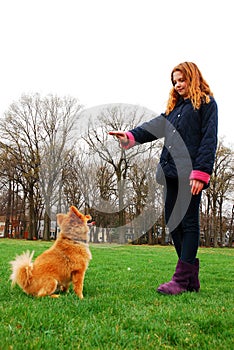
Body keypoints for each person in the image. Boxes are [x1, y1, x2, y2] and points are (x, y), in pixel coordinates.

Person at [109, 62, 218, 295]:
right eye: (175, 81)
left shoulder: (207, 105)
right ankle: (190, 278)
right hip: (169, 172)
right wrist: (130, 136)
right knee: (172, 223)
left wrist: (201, 172)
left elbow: (209, 140)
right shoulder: (174, 108)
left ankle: (180, 279)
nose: (178, 85)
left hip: (190, 175)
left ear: (193, 78)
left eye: (182, 80)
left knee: (188, 223)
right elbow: (154, 127)